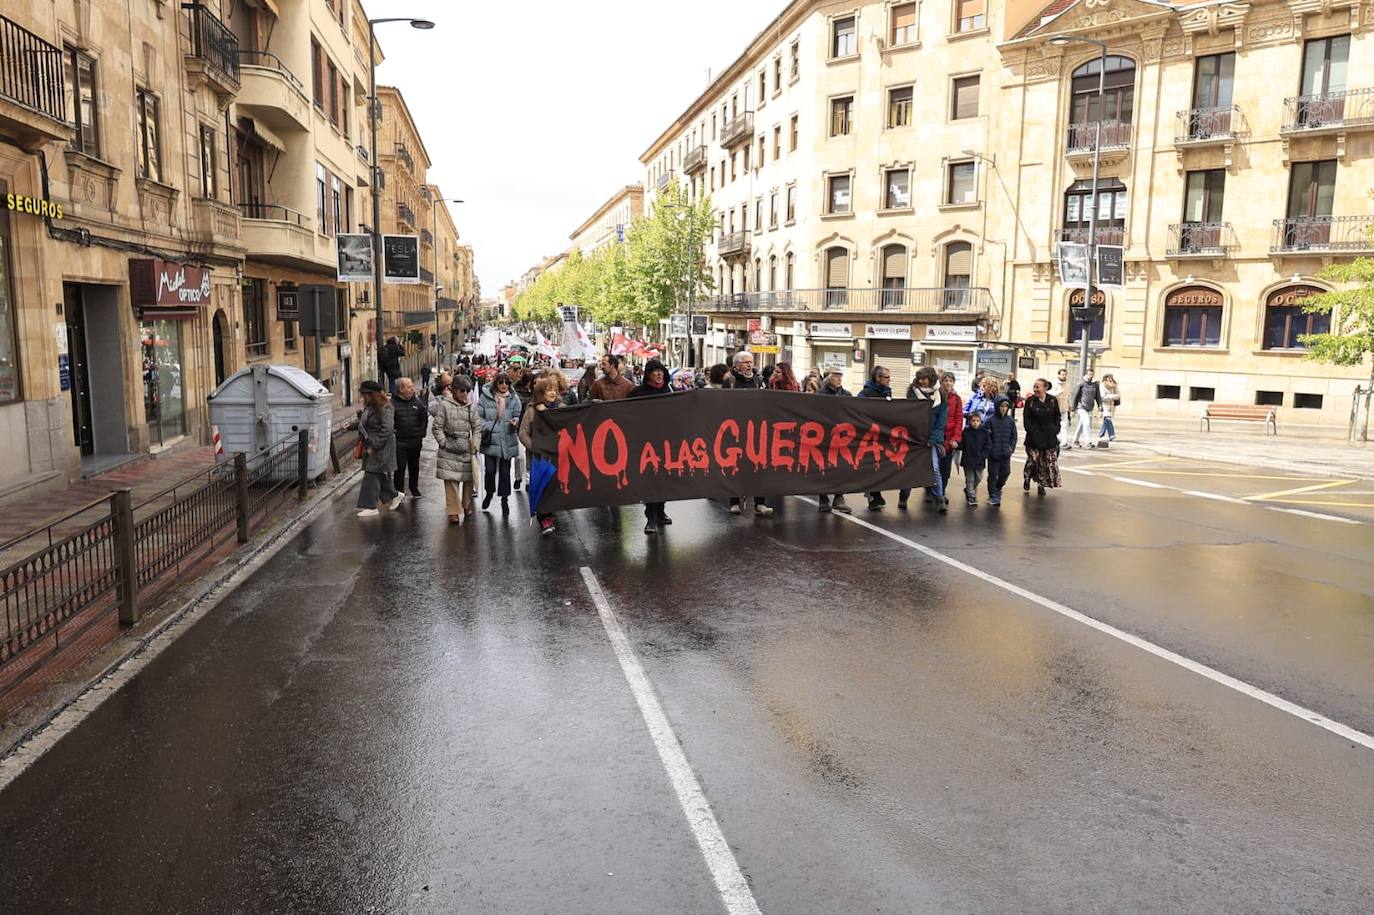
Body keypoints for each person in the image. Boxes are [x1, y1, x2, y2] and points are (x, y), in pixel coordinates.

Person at [628, 358, 674, 534]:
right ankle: (651, 518)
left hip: (667, 444)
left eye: (661, 371)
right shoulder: (638, 393)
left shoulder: (671, 391)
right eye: (655, 371)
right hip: (646, 445)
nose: (659, 374)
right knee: (650, 481)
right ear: (648, 374)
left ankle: (661, 511)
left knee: (664, 480)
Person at [724, 351, 773, 517]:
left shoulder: (758, 381)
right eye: (745, 362)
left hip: (756, 430)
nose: (749, 365)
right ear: (737, 365)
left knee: (757, 466)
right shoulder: (729, 381)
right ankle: (734, 501)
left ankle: (760, 503)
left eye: (750, 362)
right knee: (735, 466)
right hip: (735, 430)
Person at [893, 367, 947, 514]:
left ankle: (940, 499)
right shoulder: (912, 393)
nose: (922, 381)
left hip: (932, 440)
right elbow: (908, 415)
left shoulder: (941, 395)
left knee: (935, 469)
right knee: (910, 468)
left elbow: (941, 421)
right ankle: (903, 497)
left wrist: (934, 439)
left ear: (931, 378)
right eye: (920, 379)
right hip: (914, 438)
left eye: (924, 378)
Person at [519, 376, 565, 536]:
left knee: (554, 487)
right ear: (540, 393)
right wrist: (535, 448)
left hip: (557, 456)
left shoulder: (562, 408)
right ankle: (543, 518)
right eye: (548, 390)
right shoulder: (531, 411)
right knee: (542, 487)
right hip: (539, 458)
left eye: (554, 389)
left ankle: (550, 515)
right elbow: (523, 433)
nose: (552, 393)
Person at [432, 375, 481, 524]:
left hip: (467, 448)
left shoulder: (471, 407)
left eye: (468, 390)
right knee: (451, 482)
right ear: (454, 390)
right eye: (462, 390)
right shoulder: (445, 406)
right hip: (449, 449)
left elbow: (477, 428)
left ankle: (466, 505)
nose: (465, 393)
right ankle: (453, 511)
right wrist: (443, 442)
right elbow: (437, 427)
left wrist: (476, 444)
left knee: (468, 480)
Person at [355, 380, 402, 518]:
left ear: (372, 394)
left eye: (365, 395)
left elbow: (387, 429)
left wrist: (374, 447)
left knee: (371, 473)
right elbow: (364, 422)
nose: (363, 398)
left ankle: (370, 506)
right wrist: (351, 425)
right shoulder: (370, 406)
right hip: (373, 444)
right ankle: (394, 496)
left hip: (382, 447)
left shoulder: (385, 408)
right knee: (378, 474)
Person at [478, 372, 522, 513]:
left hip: (507, 440)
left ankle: (504, 499)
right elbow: (479, 417)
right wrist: (490, 427)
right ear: (495, 384)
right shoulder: (485, 398)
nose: (504, 385)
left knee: (504, 472)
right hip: (491, 439)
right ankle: (489, 493)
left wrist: (515, 422)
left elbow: (517, 414)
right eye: (501, 382)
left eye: (506, 383)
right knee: (490, 471)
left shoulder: (514, 398)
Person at [816, 366, 853, 515]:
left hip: (841, 438)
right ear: (828, 377)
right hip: (824, 437)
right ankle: (823, 499)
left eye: (840, 376)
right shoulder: (820, 395)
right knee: (823, 468)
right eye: (835, 376)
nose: (839, 379)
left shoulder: (846, 394)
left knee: (841, 467)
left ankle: (839, 498)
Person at [860, 365, 895, 511]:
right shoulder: (865, 394)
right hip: (869, 436)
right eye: (886, 377)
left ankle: (877, 493)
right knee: (872, 466)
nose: (889, 380)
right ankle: (872, 496)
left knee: (880, 466)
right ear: (878, 378)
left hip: (883, 435)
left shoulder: (887, 392)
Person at [1023, 378, 1063, 496]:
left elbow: (1057, 416)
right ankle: (1027, 477)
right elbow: (1027, 419)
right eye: (1034, 387)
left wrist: (1055, 429)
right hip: (1033, 437)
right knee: (1033, 460)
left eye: (1038, 387)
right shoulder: (1030, 401)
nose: (1035, 389)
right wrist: (1032, 430)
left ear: (1045, 388)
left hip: (1048, 437)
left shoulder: (1052, 400)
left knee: (1044, 463)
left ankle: (1041, 484)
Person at [391, 377, 428, 499]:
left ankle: (414, 488)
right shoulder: (392, 404)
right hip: (399, 442)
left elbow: (424, 415)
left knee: (414, 466)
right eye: (409, 387)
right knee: (400, 468)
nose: (412, 389)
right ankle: (399, 491)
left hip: (415, 440)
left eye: (412, 386)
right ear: (401, 389)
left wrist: (422, 431)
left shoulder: (417, 402)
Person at [935, 373, 964, 509]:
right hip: (937, 438)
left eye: (950, 380)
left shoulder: (957, 399)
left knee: (945, 468)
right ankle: (934, 492)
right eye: (945, 380)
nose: (948, 383)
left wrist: (956, 439)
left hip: (950, 439)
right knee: (935, 468)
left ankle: (942, 491)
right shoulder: (936, 396)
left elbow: (959, 420)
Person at [986, 395, 1017, 507]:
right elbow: (987, 437)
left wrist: (1011, 448)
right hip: (994, 454)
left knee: (1005, 472)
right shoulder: (990, 420)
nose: (1004, 408)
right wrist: (990, 449)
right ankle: (993, 494)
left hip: (1005, 453)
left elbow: (1014, 436)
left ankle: (998, 488)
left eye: (1006, 406)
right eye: (1001, 406)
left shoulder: (1010, 421)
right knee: (993, 475)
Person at [959, 411, 990, 507]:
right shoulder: (966, 432)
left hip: (979, 460)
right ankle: (971, 496)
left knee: (979, 478)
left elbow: (988, 445)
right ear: (969, 422)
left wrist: (984, 455)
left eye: (977, 421)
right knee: (970, 479)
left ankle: (969, 489)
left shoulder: (984, 433)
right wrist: (957, 445)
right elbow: (962, 444)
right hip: (968, 459)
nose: (975, 423)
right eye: (973, 421)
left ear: (981, 421)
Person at [1070, 368, 1103, 448]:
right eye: (1089, 374)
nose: (1090, 376)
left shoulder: (1095, 384)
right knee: (1087, 423)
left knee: (1082, 424)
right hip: (1081, 407)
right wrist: (1073, 409)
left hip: (1089, 407)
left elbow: (1098, 397)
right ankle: (1088, 442)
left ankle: (1075, 440)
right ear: (1085, 374)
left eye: (1092, 374)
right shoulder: (1081, 383)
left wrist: (1100, 409)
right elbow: (1075, 396)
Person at [1098, 374, 1120, 443]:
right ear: (1105, 379)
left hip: (1112, 406)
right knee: (1108, 419)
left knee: (1106, 421)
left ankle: (1101, 435)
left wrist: (1112, 396)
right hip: (1105, 406)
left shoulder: (1114, 386)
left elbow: (1118, 395)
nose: (1110, 380)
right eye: (1108, 379)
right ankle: (1112, 435)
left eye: (1111, 379)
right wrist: (1113, 396)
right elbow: (1103, 397)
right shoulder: (1102, 386)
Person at [1054, 367, 1072, 448]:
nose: (1064, 376)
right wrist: (1058, 393)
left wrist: (1069, 405)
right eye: (1062, 374)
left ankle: (1064, 442)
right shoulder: (1054, 383)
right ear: (1058, 375)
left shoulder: (1067, 385)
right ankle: (1053, 440)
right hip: (1054, 409)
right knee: (1054, 425)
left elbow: (1068, 396)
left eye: (1065, 375)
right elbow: (1049, 394)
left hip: (1064, 408)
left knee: (1064, 425)